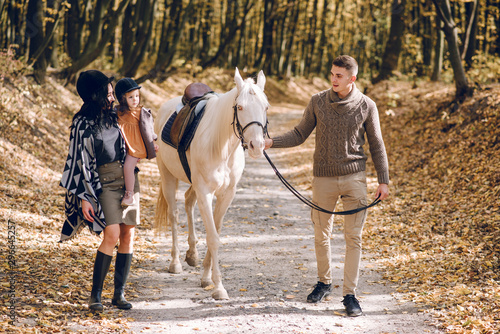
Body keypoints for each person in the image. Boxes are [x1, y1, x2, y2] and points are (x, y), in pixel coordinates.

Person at [264, 55, 390, 317]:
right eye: (332, 74)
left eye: (339, 75)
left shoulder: (367, 105)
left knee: (353, 237)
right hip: (323, 178)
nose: (333, 79)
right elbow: (299, 134)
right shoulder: (317, 102)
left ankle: (350, 295)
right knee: (321, 235)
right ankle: (324, 282)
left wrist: (383, 181)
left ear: (352, 78)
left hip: (355, 178)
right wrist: (271, 142)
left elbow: (377, 145)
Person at [60, 70, 140, 311]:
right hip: (102, 183)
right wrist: (85, 198)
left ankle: (119, 294)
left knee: (128, 235)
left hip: (128, 182)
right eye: (108, 92)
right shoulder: (81, 124)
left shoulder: (117, 117)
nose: (113, 97)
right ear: (95, 95)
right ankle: (95, 296)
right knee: (112, 234)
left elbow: (136, 137)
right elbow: (78, 162)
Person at [114, 77, 158, 206]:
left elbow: (148, 128)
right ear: (122, 98)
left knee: (128, 166)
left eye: (137, 96)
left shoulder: (141, 112)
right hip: (123, 145)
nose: (135, 100)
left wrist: (152, 142)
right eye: (131, 97)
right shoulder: (118, 112)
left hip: (135, 146)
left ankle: (129, 194)